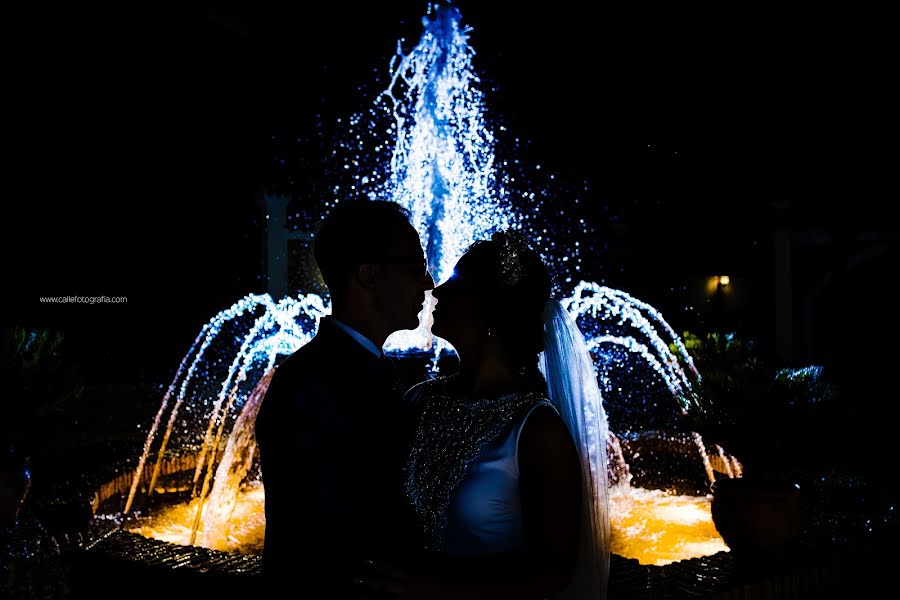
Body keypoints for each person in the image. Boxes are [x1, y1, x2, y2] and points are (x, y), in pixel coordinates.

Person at [359, 230, 610, 599]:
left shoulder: (537, 429)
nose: (438, 291)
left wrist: (439, 585)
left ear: (489, 312)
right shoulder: (419, 401)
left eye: (456, 285)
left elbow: (555, 569)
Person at [254, 199, 435, 597]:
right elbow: (327, 534)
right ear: (369, 275)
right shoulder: (312, 384)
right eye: (416, 266)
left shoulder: (355, 369)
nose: (428, 283)